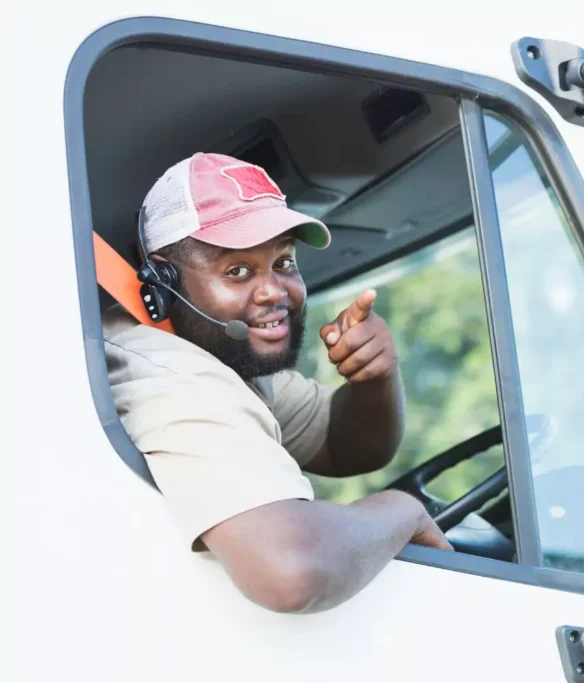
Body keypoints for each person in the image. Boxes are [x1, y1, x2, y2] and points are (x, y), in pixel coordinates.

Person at [103, 152, 452, 615]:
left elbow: (343, 445)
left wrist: (376, 378)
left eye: (284, 261)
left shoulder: (225, 360)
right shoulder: (178, 378)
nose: (274, 291)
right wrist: (402, 511)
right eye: (238, 271)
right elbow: (291, 574)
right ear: (163, 282)